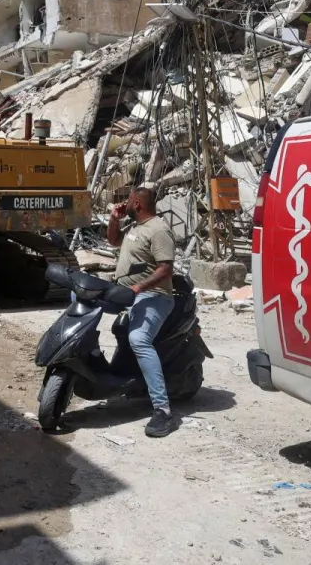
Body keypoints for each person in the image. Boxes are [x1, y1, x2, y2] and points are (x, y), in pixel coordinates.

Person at [106, 185, 179, 438]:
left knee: (139, 339)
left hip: (154, 296)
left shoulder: (158, 229)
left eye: (128, 200)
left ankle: (163, 410)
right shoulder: (134, 227)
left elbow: (165, 269)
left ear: (136, 204)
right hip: (126, 294)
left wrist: (139, 287)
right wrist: (114, 220)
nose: (124, 203)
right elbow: (113, 241)